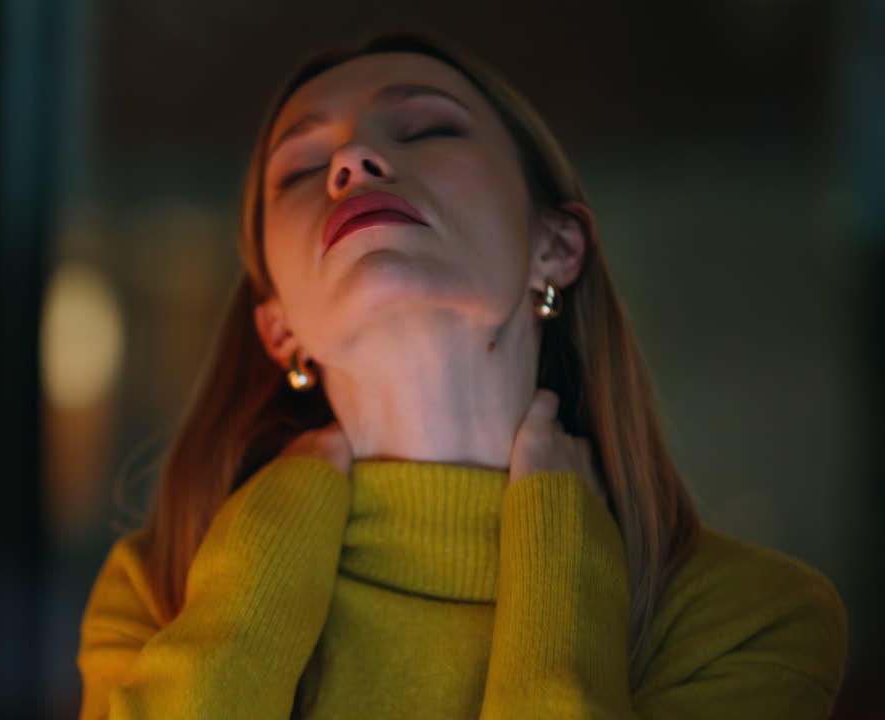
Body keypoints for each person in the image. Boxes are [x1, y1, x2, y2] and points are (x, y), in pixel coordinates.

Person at [74, 32, 848, 719]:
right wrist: (262, 572)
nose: (352, 161)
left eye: (425, 128)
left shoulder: (752, 621)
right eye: (303, 167)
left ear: (557, 246)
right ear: (279, 330)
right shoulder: (161, 590)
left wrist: (561, 580)